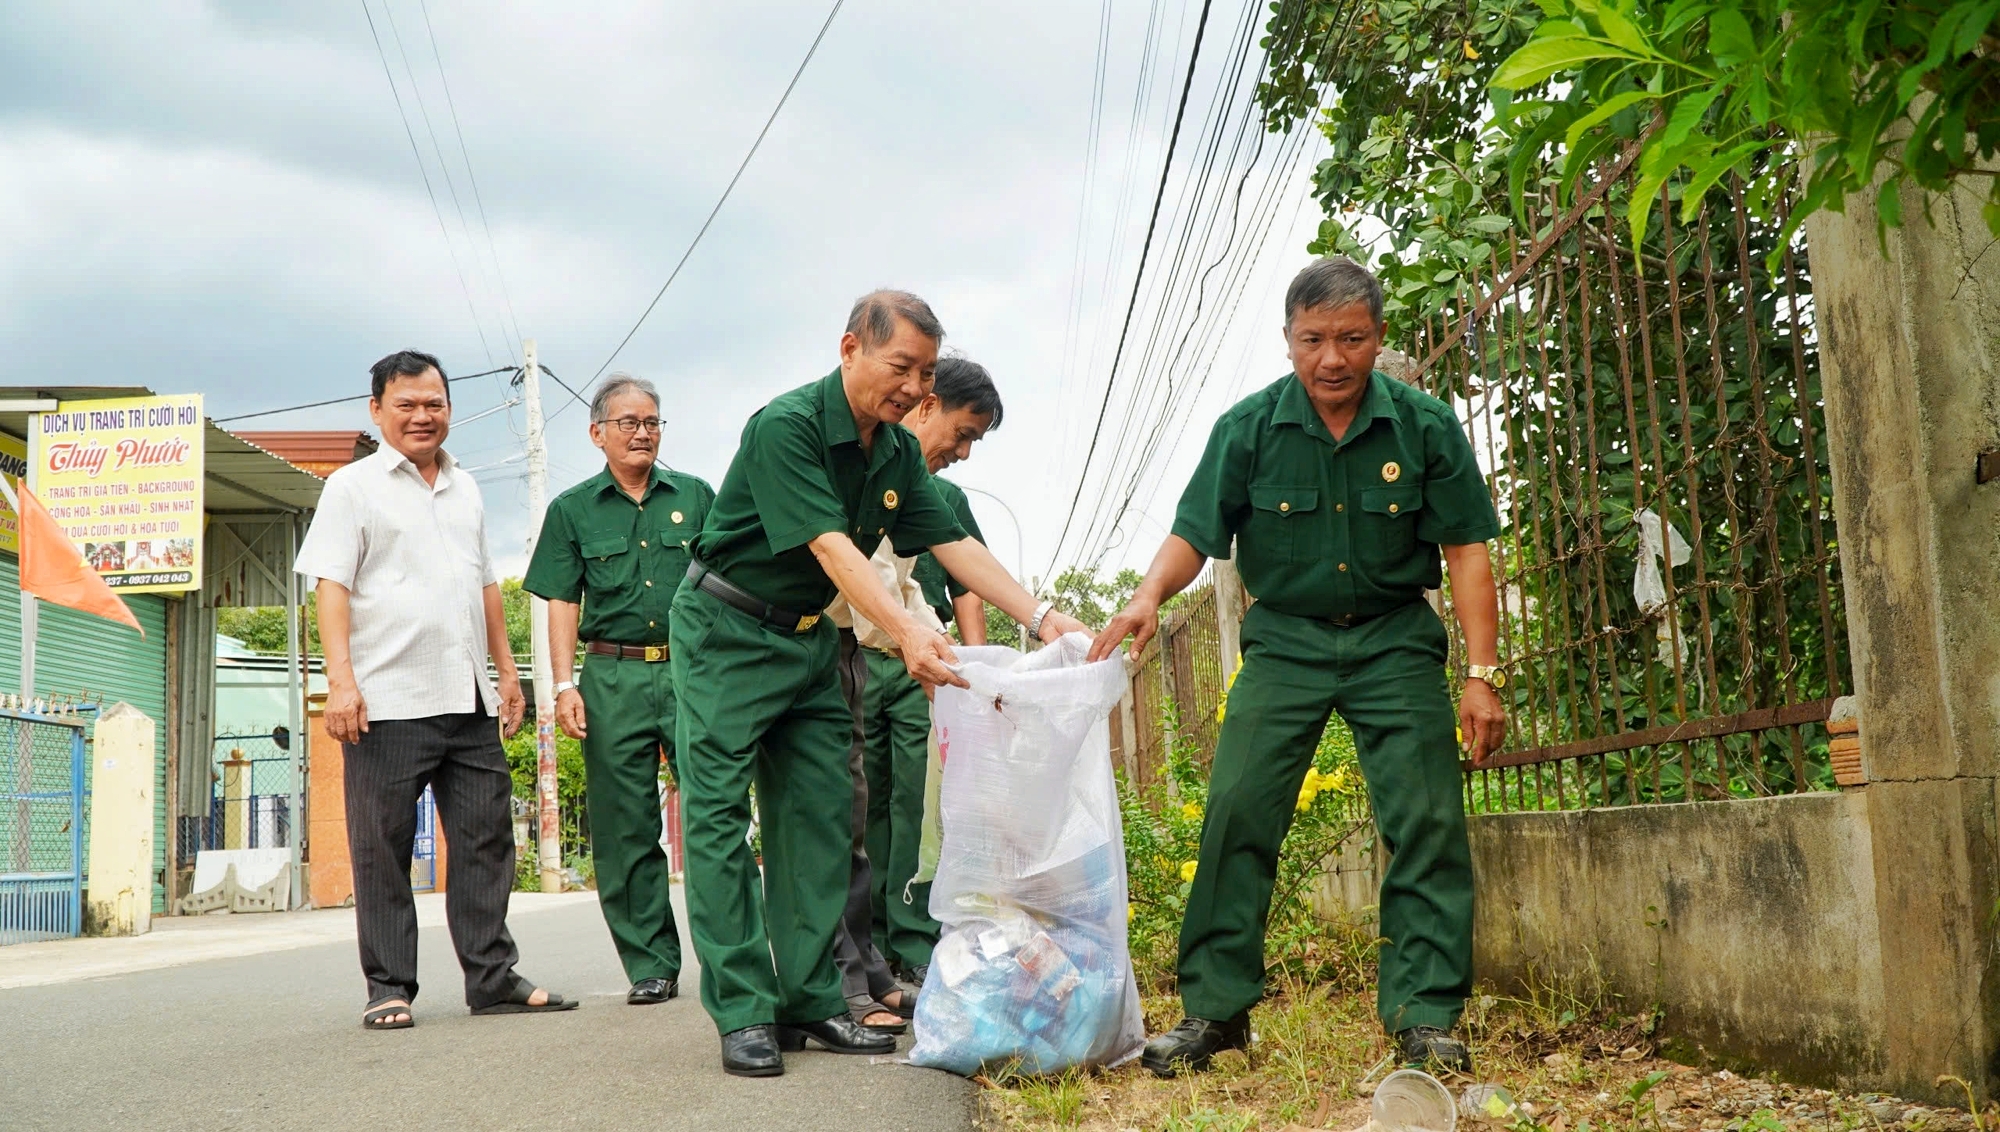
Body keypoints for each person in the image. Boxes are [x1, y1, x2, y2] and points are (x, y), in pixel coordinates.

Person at [1088, 257, 1508, 1075]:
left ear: (1379, 338)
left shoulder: (1425, 426)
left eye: (1351, 339)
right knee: (1239, 808)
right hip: (1285, 642)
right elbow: (1194, 534)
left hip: (1393, 639)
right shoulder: (1248, 429)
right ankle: (1215, 1013)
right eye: (1313, 339)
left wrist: (1482, 673)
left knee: (1424, 819)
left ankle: (1424, 1017)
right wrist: (1146, 597)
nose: (1332, 359)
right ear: (1288, 342)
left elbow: (1466, 552)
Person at [669, 291, 1086, 1078]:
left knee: (823, 817)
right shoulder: (785, 426)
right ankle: (744, 1009)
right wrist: (906, 632)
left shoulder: (894, 451)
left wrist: (1044, 616)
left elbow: (954, 543)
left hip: (807, 639)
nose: (913, 388)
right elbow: (831, 547)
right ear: (851, 348)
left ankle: (809, 999)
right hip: (727, 629)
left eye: (926, 373)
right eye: (901, 367)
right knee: (720, 822)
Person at [297, 349, 577, 1031]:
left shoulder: (467, 486)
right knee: (381, 849)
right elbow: (330, 586)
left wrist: (509, 674)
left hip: (468, 698)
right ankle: (389, 986)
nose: (423, 417)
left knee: (485, 842)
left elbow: (485, 586)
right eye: (407, 405)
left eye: (434, 404)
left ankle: (492, 976)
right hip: (386, 702)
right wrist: (341, 684)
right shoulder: (352, 488)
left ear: (449, 408)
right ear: (377, 410)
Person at [823, 355, 1004, 1032]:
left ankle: (898, 946)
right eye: (959, 434)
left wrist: (974, 666)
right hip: (854, 648)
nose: (960, 453)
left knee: (913, 808)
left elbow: (957, 584)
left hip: (917, 655)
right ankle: (846, 965)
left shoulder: (934, 497)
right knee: (849, 807)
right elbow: (861, 577)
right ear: (924, 403)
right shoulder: (855, 470)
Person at [522, 374, 713, 1007]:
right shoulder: (573, 510)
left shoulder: (697, 495)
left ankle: (728, 954)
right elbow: (560, 601)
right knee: (624, 826)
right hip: (612, 676)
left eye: (653, 422)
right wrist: (562, 685)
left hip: (692, 670)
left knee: (715, 813)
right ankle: (651, 964)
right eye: (628, 422)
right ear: (598, 432)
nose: (642, 433)